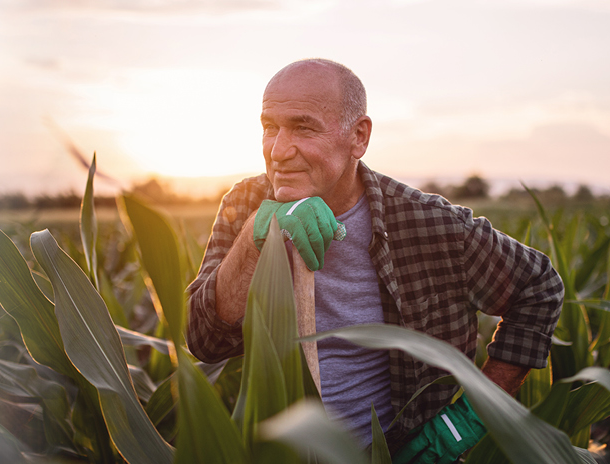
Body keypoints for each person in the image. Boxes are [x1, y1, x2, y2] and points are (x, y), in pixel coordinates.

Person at [184, 59, 562, 459]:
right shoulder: (246, 203)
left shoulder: (427, 223)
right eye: (269, 127)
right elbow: (205, 341)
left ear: (359, 137)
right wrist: (257, 236)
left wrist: (468, 420)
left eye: (303, 127)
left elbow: (537, 287)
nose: (278, 150)